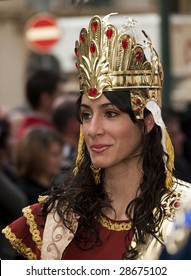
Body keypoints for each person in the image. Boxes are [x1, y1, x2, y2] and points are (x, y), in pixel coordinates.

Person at [2, 14, 191, 260]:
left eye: (111, 113)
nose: (93, 129)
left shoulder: (183, 216)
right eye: (86, 115)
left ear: (146, 122)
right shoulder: (51, 223)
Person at [13, 126, 63, 204]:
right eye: (55, 155)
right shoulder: (23, 195)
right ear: (36, 157)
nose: (61, 159)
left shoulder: (56, 189)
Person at [16, 69, 64, 139]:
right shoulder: (45, 136)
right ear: (45, 99)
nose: (64, 100)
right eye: (61, 95)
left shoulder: (24, 129)